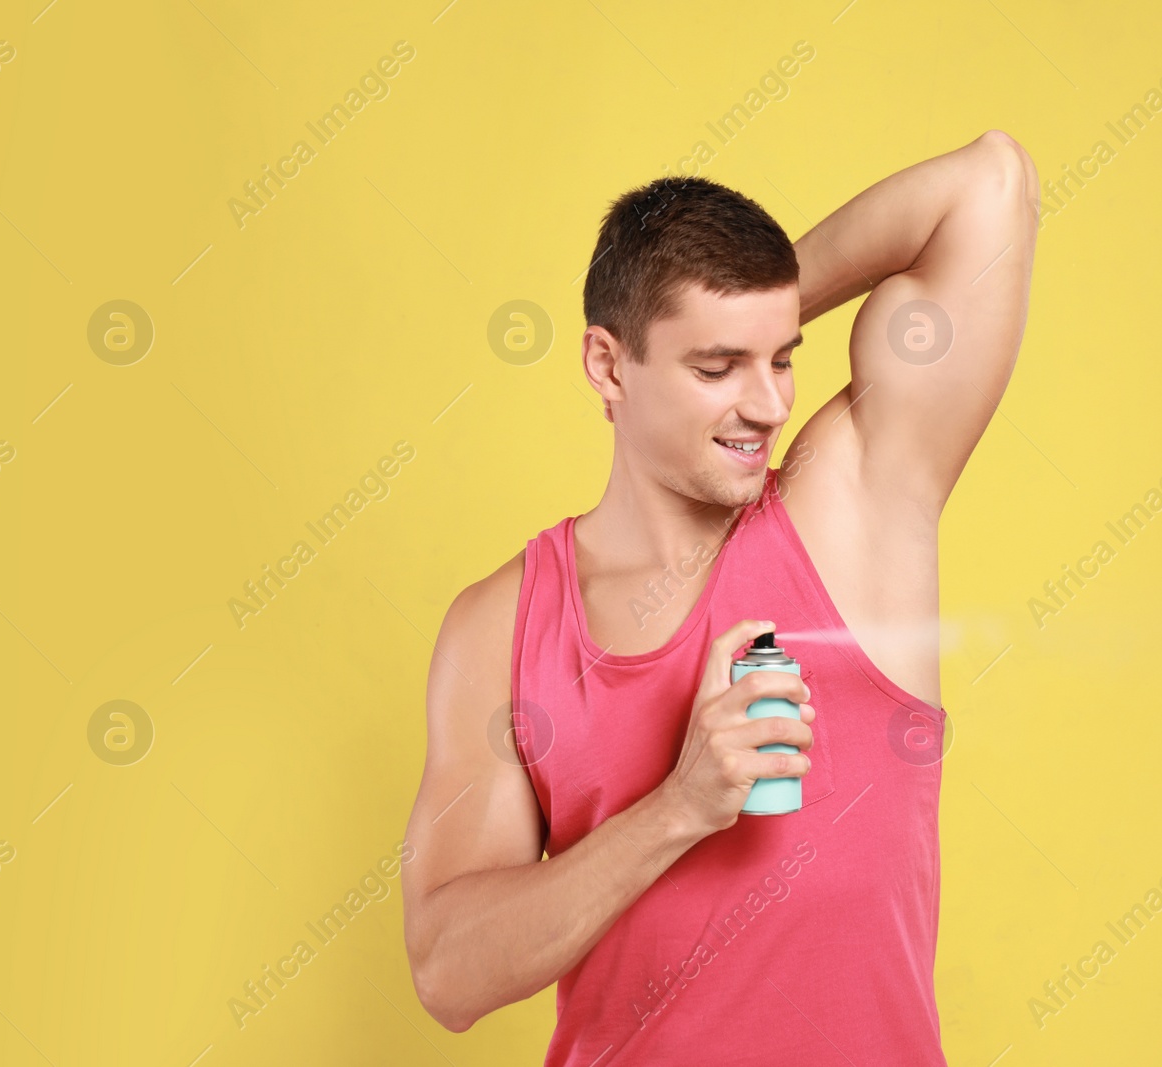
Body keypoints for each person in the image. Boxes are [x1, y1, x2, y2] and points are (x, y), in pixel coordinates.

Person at [402, 129, 1038, 1064]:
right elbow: (448, 973)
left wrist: (750, 318)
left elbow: (990, 183)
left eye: (782, 359)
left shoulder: (850, 507)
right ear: (609, 366)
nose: (772, 406)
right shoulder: (504, 625)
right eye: (715, 369)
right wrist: (681, 805)